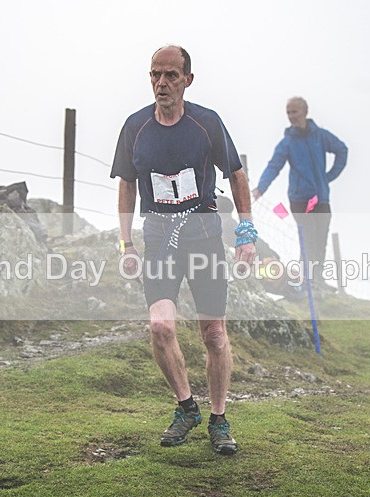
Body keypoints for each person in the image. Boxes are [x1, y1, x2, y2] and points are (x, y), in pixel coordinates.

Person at [112, 45, 257, 454]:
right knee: (160, 327)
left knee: (214, 334)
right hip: (159, 239)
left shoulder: (206, 123)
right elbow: (126, 184)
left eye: (171, 75)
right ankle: (186, 407)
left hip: (204, 237)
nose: (162, 83)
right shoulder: (135, 127)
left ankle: (218, 418)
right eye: (155, 74)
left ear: (187, 80)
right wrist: (126, 243)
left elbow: (237, 174)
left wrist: (246, 231)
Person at [252, 97, 347, 290]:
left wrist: (329, 176)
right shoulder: (287, 143)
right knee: (309, 238)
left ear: (305, 111)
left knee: (320, 239)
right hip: (299, 199)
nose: (291, 116)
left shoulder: (321, 136)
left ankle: (317, 281)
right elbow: (274, 166)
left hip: (321, 198)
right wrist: (260, 188)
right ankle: (307, 282)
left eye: (294, 111)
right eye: (288, 112)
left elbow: (342, 150)